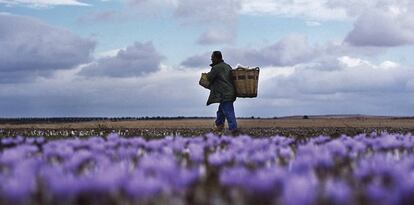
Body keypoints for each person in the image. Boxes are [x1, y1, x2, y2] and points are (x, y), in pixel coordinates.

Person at [206, 51, 238, 135]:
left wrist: (209, 71)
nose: (211, 59)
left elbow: (209, 77)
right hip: (230, 93)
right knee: (220, 112)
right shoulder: (227, 66)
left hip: (225, 94)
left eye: (212, 58)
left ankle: (234, 130)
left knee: (228, 112)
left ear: (217, 58)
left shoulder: (216, 68)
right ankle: (218, 126)